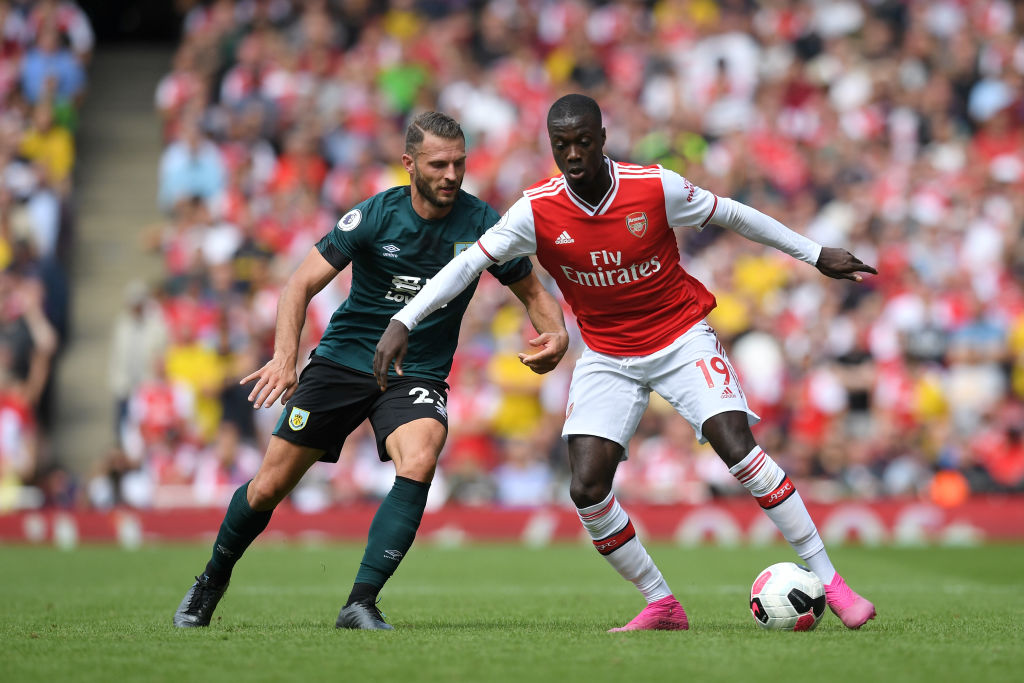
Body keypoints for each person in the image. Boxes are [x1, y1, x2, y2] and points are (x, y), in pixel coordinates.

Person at [375, 94, 878, 631]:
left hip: (681, 337)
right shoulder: (536, 211)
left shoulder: (653, 187)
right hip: (608, 354)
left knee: (737, 448)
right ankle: (662, 603)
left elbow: (732, 213)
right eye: (562, 145)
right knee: (586, 489)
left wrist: (815, 253)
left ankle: (832, 581)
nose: (573, 154)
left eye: (583, 142)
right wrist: (405, 319)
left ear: (602, 139)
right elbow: (467, 265)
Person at [173, 111, 569, 629]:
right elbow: (299, 284)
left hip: (416, 371)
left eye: (459, 163)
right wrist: (285, 357)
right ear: (409, 164)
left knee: (421, 455)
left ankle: (360, 602)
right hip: (343, 362)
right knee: (269, 486)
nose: (452, 175)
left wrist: (557, 334)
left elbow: (533, 291)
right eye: (439, 164)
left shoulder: (482, 224)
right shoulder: (375, 216)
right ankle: (211, 580)